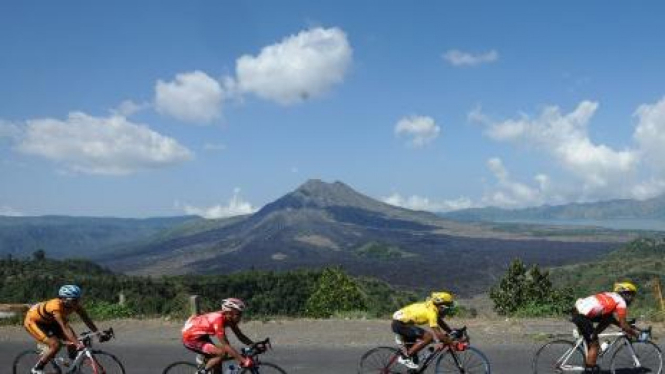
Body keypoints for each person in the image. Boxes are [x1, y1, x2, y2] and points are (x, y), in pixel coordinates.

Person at [24, 284, 108, 374]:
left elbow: (87, 320)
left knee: (73, 341)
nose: (76, 302)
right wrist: (78, 344)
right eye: (74, 300)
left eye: (78, 299)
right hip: (34, 322)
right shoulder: (55, 306)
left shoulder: (75, 305)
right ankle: (37, 368)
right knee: (56, 344)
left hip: (50, 321)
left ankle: (73, 364)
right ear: (63, 299)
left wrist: (98, 334)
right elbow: (64, 327)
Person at [571, 281, 647, 374]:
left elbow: (614, 320)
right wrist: (636, 335)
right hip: (582, 316)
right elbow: (623, 325)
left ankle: (592, 335)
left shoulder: (611, 295)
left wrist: (627, 326)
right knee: (595, 346)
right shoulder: (621, 302)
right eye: (632, 295)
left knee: (608, 318)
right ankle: (589, 371)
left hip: (577, 311)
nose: (632, 299)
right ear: (625, 294)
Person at [181, 297, 255, 373]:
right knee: (222, 353)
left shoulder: (230, 319)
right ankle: (202, 372)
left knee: (219, 361)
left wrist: (254, 345)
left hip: (201, 336)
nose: (240, 317)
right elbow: (226, 345)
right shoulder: (218, 320)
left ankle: (206, 361)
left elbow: (240, 336)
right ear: (229, 313)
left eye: (241, 314)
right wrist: (243, 360)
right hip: (190, 339)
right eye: (238, 314)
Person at [391, 291, 458, 369]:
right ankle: (404, 357)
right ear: (441, 307)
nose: (447, 312)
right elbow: (439, 335)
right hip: (401, 324)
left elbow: (439, 321)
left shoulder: (433, 306)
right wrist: (452, 343)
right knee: (428, 337)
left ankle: (411, 365)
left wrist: (450, 331)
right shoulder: (432, 312)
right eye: (447, 308)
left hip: (404, 324)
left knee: (415, 360)